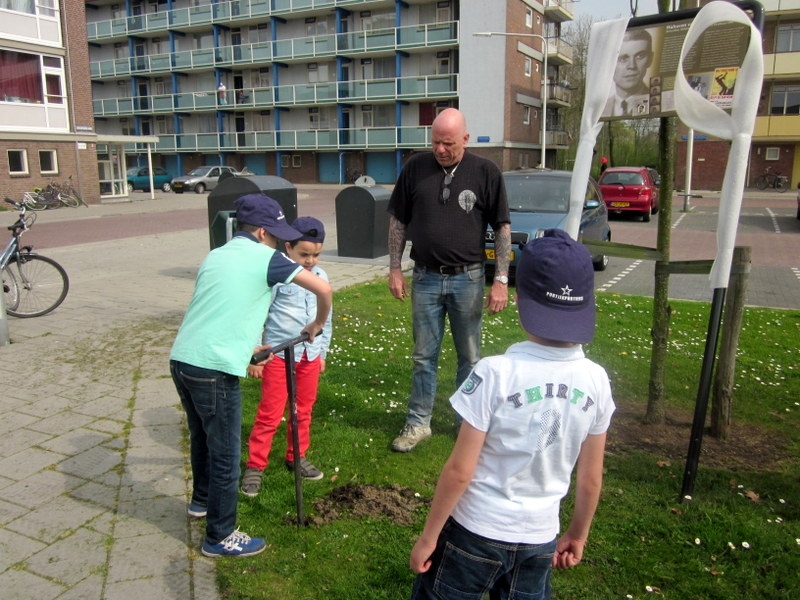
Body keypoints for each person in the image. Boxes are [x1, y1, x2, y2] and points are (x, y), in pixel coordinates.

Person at [408, 229, 615, 599]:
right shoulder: (597, 381)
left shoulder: (494, 372)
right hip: (540, 538)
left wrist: (429, 536)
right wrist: (578, 534)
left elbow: (459, 471)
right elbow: (590, 479)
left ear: (520, 300)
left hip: (474, 532)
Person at [170, 194, 332, 558]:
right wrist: (318, 324)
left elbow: (223, 307)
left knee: (202, 439)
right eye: (275, 235)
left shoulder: (216, 254)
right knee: (226, 455)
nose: (276, 242)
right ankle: (219, 536)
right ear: (261, 232)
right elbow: (323, 289)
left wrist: (249, 347)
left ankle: (201, 502)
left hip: (182, 360)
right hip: (214, 368)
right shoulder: (267, 257)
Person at [387, 107, 512, 453]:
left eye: (448, 143)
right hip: (425, 278)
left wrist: (501, 279)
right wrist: (395, 268)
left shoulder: (486, 172)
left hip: (468, 279)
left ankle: (467, 422)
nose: (440, 150)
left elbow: (502, 227)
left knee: (470, 357)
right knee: (423, 356)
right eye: (436, 143)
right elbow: (398, 221)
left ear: (465, 139)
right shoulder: (415, 168)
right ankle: (418, 422)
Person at [241, 217, 332, 497]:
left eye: (316, 255)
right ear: (288, 247)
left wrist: (322, 352)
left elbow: (325, 320)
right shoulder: (276, 276)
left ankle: (297, 456)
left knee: (302, 409)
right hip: (278, 356)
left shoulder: (321, 277)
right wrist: (256, 353)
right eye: (304, 254)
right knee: (270, 413)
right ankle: (255, 465)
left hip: (309, 355)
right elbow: (258, 314)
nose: (310, 261)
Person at [603, 28, 653, 117]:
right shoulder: (599, 109)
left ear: (650, 59)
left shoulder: (657, 102)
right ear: (608, 63)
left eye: (640, 56)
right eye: (622, 59)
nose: (632, 66)